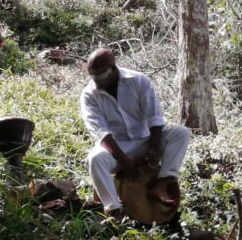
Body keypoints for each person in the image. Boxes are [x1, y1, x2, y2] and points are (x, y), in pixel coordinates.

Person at [80, 47, 189, 224]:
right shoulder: (89, 95)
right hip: (117, 146)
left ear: (113, 68)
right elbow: (101, 133)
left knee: (180, 133)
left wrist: (153, 149)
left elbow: (155, 118)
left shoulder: (138, 81)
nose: (98, 81)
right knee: (95, 159)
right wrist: (123, 160)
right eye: (94, 77)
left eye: (102, 76)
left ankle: (163, 183)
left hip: (145, 141)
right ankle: (114, 210)